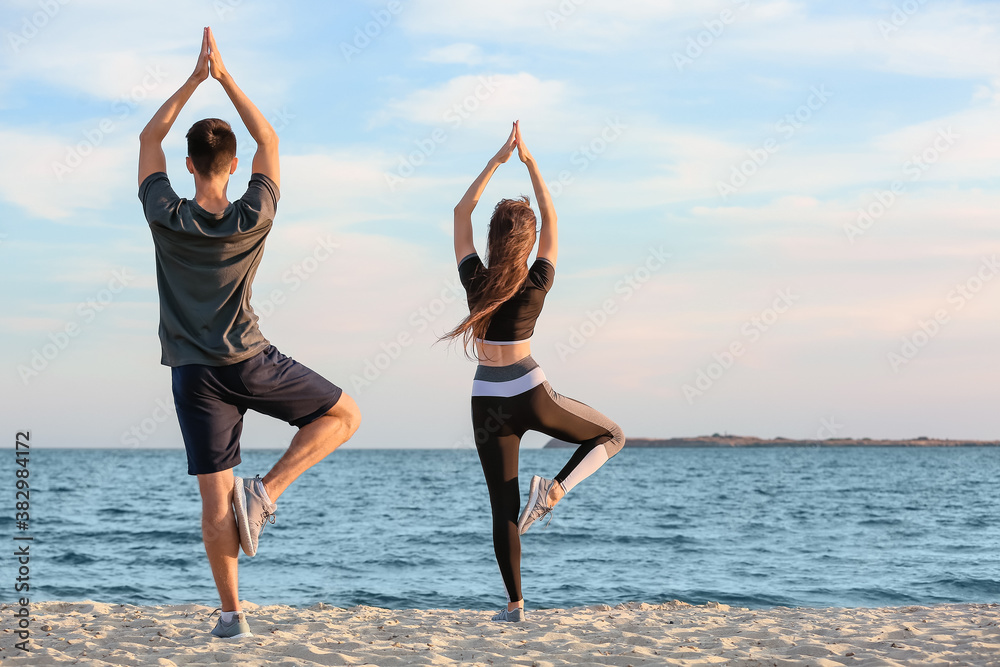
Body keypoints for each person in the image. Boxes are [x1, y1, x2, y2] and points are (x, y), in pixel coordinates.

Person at [137, 28, 360, 639]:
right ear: (233, 166)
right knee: (344, 416)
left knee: (214, 505)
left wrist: (193, 78)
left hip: (194, 375)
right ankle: (267, 490)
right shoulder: (255, 214)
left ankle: (232, 616)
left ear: (188, 165)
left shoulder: (166, 213)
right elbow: (270, 139)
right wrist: (225, 76)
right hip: (251, 360)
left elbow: (147, 137)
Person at [443, 121, 625, 622]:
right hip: (530, 390)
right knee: (611, 435)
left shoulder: (474, 277)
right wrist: (531, 162)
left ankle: (515, 605)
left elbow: (461, 211)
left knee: (501, 505)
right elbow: (552, 217)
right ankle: (557, 488)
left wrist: (497, 161)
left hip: (486, 400)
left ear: (492, 238)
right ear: (528, 243)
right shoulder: (538, 279)